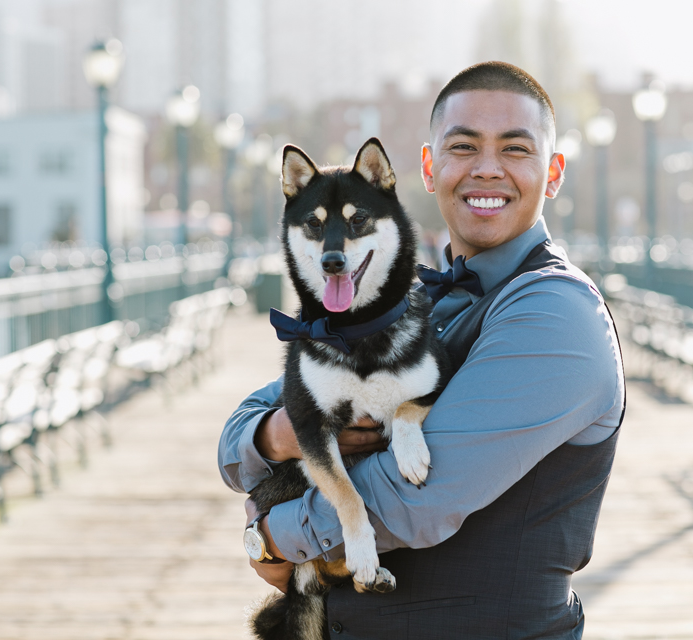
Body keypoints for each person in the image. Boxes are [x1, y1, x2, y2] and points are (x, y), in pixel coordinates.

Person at [219, 61, 625, 639]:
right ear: (430, 169)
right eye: (464, 147)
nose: (488, 169)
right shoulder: (411, 297)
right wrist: (273, 436)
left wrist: (274, 536)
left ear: (553, 173)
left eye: (515, 149)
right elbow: (246, 432)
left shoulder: (555, 315)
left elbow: (418, 501)